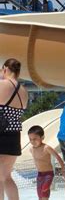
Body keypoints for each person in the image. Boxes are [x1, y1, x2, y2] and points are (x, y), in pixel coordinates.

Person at [0, 58, 28, 200]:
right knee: (6, 177)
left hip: (1, 134)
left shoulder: (3, 84)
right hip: (14, 135)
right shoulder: (23, 91)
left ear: (5, 69)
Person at [28, 125, 65, 200]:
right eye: (30, 139)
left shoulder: (46, 148)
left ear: (42, 137)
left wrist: (63, 168)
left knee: (44, 190)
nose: (32, 141)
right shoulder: (31, 149)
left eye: (35, 139)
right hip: (39, 175)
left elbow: (58, 157)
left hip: (48, 174)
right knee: (39, 194)